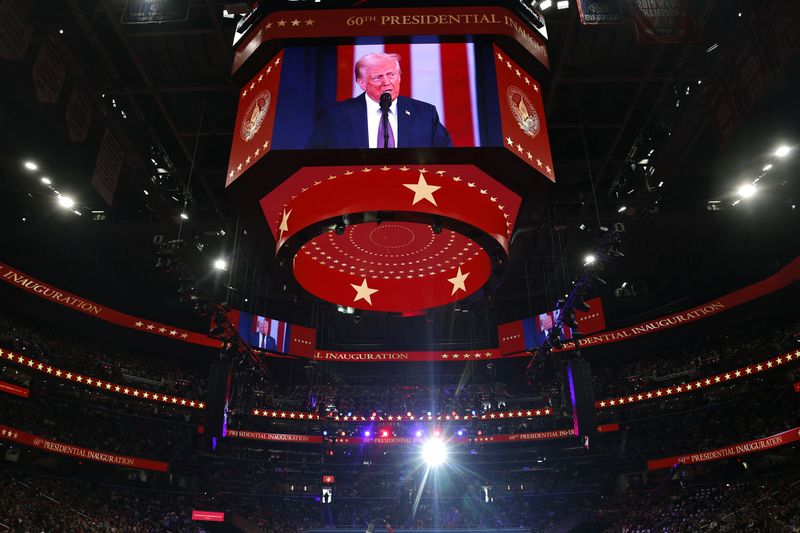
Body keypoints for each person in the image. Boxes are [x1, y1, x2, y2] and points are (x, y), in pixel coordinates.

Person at [307, 52, 452, 149]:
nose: (387, 82)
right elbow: (314, 160)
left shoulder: (425, 114)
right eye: (378, 77)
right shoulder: (335, 116)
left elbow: (447, 158)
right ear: (361, 83)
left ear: (399, 77)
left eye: (391, 75)